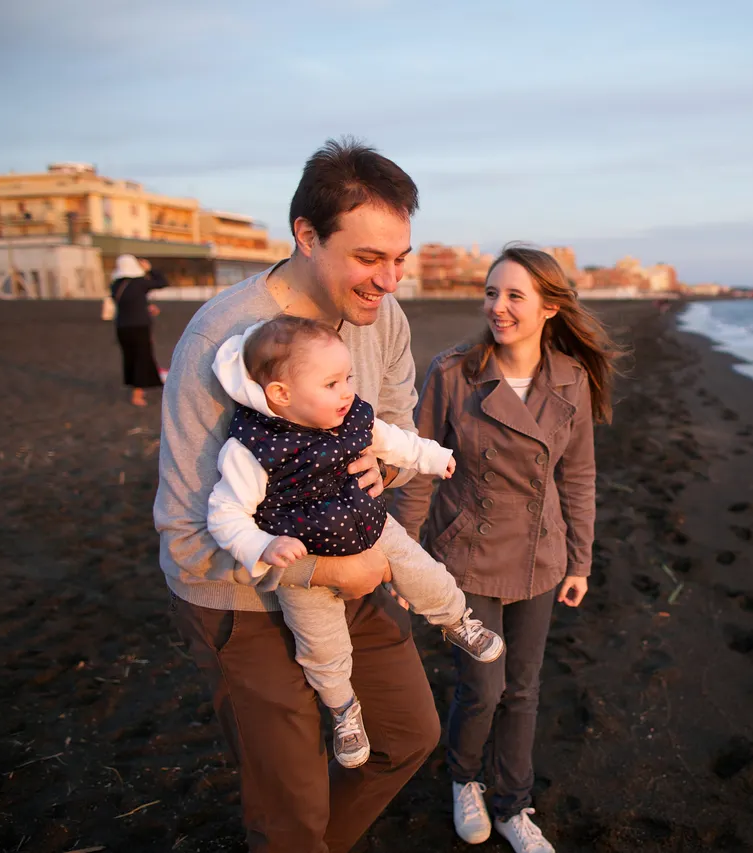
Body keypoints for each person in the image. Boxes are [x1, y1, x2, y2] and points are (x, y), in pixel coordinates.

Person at [155, 138, 441, 853]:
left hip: (352, 566)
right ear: (307, 236)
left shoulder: (388, 323)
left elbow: (399, 430)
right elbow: (188, 534)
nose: (389, 280)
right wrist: (322, 570)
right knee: (291, 806)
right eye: (370, 258)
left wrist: (392, 471)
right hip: (238, 599)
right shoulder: (221, 337)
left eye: (400, 257)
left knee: (409, 734)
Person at [392, 244, 622, 853]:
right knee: (484, 687)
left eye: (515, 295)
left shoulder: (570, 378)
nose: (498, 307)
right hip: (466, 556)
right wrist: (403, 557)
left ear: (549, 307)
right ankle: (465, 779)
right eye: (492, 293)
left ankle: (513, 803)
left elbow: (577, 477)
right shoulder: (452, 373)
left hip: (541, 559)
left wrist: (580, 561)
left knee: (523, 687)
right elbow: (420, 469)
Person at [206, 314, 504, 770]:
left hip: (373, 527)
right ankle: (344, 708)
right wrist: (260, 546)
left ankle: (456, 620)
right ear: (281, 395)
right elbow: (224, 514)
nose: (347, 390)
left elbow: (394, 442)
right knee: (320, 646)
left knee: (426, 575)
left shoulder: (352, 417)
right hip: (305, 559)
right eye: (331, 383)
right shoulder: (253, 448)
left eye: (347, 377)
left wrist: (433, 457)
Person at [111, 254, 167, 406]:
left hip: (122, 326)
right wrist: (150, 269)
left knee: (130, 358)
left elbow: (129, 303)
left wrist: (145, 308)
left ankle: (139, 387)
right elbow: (162, 282)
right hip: (139, 326)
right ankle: (137, 394)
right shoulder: (139, 283)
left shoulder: (115, 285)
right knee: (141, 358)